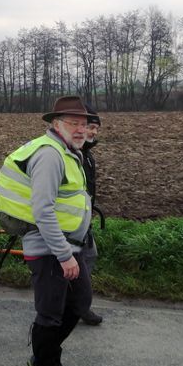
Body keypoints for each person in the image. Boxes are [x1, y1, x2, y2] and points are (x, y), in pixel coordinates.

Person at [0, 95, 94, 366]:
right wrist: (64, 255)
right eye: (73, 123)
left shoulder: (65, 150)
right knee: (51, 315)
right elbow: (42, 209)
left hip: (67, 246)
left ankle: (45, 358)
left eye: (84, 124)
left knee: (79, 303)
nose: (80, 129)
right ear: (55, 124)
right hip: (50, 249)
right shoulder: (50, 154)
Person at [80, 104, 103, 326]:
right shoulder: (76, 154)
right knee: (83, 259)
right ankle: (77, 306)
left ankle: (79, 305)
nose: (93, 132)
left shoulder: (88, 156)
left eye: (96, 128)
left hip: (84, 220)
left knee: (89, 256)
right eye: (90, 127)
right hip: (73, 222)